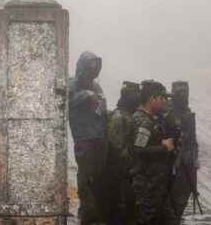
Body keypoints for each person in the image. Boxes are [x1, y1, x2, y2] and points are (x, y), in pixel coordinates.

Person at [130, 80, 177, 225]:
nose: (165, 102)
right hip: (148, 185)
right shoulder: (144, 121)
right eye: (162, 98)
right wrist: (164, 148)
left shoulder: (152, 119)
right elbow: (138, 150)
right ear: (152, 99)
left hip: (157, 184)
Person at [69, 51, 107, 225]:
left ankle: (91, 210)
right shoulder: (73, 84)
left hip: (98, 137)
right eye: (89, 68)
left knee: (97, 175)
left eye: (95, 68)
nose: (92, 72)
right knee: (85, 176)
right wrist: (86, 95)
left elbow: (103, 108)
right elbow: (67, 102)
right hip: (83, 138)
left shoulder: (96, 86)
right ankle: (87, 212)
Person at [105, 81, 141, 225]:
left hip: (128, 173)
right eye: (135, 96)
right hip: (121, 175)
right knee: (122, 209)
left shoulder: (129, 116)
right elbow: (117, 148)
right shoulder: (119, 117)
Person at [167, 81, 200, 224]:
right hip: (171, 163)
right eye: (179, 91)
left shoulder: (187, 112)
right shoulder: (166, 112)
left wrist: (194, 159)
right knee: (171, 201)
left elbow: (193, 139)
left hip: (187, 163)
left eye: (185, 91)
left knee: (182, 199)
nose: (182, 94)